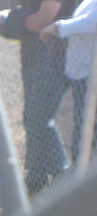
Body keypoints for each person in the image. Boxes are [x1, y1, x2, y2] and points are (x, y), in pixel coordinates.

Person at [0, 1, 78, 195]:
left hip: (51, 57)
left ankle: (62, 176)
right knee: (30, 117)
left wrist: (8, 22)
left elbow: (44, 19)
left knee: (39, 118)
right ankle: (36, 177)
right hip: (35, 58)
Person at [40, 0, 97, 163]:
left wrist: (58, 27)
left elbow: (91, 23)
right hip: (80, 73)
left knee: (86, 135)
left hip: (91, 77)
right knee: (81, 134)